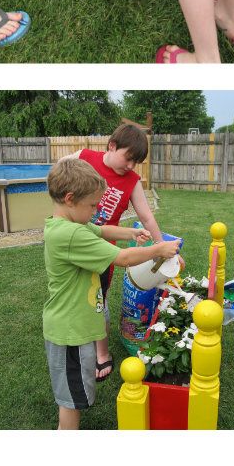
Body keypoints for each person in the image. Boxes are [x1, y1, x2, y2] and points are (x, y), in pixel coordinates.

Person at [43, 157, 179, 430]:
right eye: (92, 205)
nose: (95, 212)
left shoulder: (71, 224)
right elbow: (124, 258)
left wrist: (131, 230)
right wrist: (158, 249)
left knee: (75, 392)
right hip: (70, 332)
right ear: (70, 199)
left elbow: (103, 229)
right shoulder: (71, 234)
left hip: (74, 328)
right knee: (70, 401)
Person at [59, 122, 163, 383]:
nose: (130, 166)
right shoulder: (84, 158)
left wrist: (162, 248)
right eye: (128, 158)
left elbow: (147, 218)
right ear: (112, 145)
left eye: (136, 162)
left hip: (104, 251)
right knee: (72, 294)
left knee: (99, 300)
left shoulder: (132, 181)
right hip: (73, 244)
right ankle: (71, 338)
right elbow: (59, 173)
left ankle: (102, 352)